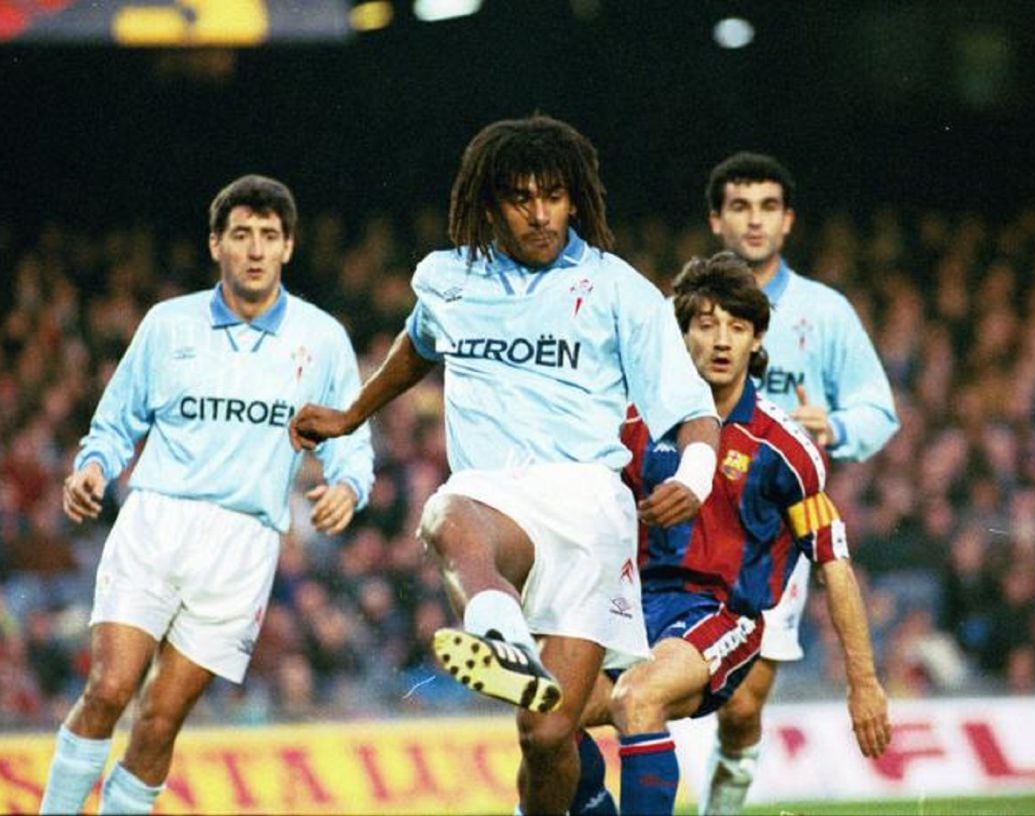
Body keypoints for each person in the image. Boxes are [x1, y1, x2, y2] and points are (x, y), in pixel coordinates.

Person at [289, 114, 721, 815]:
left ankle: (510, 659)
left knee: (546, 734)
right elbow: (419, 344)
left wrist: (694, 480)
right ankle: (502, 636)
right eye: (521, 198)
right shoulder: (450, 279)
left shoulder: (618, 290)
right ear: (492, 205)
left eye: (553, 195)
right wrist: (349, 416)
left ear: (574, 198)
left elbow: (693, 411)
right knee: (446, 511)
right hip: (496, 493)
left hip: (587, 504)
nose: (540, 214)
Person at [39, 175, 374, 815]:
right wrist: (93, 468)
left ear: (289, 248)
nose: (255, 250)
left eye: (269, 237)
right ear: (215, 243)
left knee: (160, 720)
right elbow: (115, 422)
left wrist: (349, 486)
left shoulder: (322, 338)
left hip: (244, 543)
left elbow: (349, 438)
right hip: (157, 522)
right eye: (241, 235)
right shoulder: (169, 325)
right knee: (110, 688)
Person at [573, 252, 891, 816]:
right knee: (553, 718)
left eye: (737, 327)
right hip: (634, 614)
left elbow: (833, 562)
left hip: (721, 617)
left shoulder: (783, 449)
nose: (721, 340)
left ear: (756, 339)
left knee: (637, 697)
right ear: (683, 333)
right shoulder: (632, 426)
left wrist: (863, 682)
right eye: (706, 323)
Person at [700, 152, 899, 814]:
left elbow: (879, 410)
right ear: (716, 220)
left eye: (766, 208)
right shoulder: (682, 309)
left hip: (771, 531)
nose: (753, 221)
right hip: (684, 516)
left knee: (741, 705)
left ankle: (719, 807)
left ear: (787, 223)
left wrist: (834, 425)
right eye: (739, 206)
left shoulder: (824, 312)